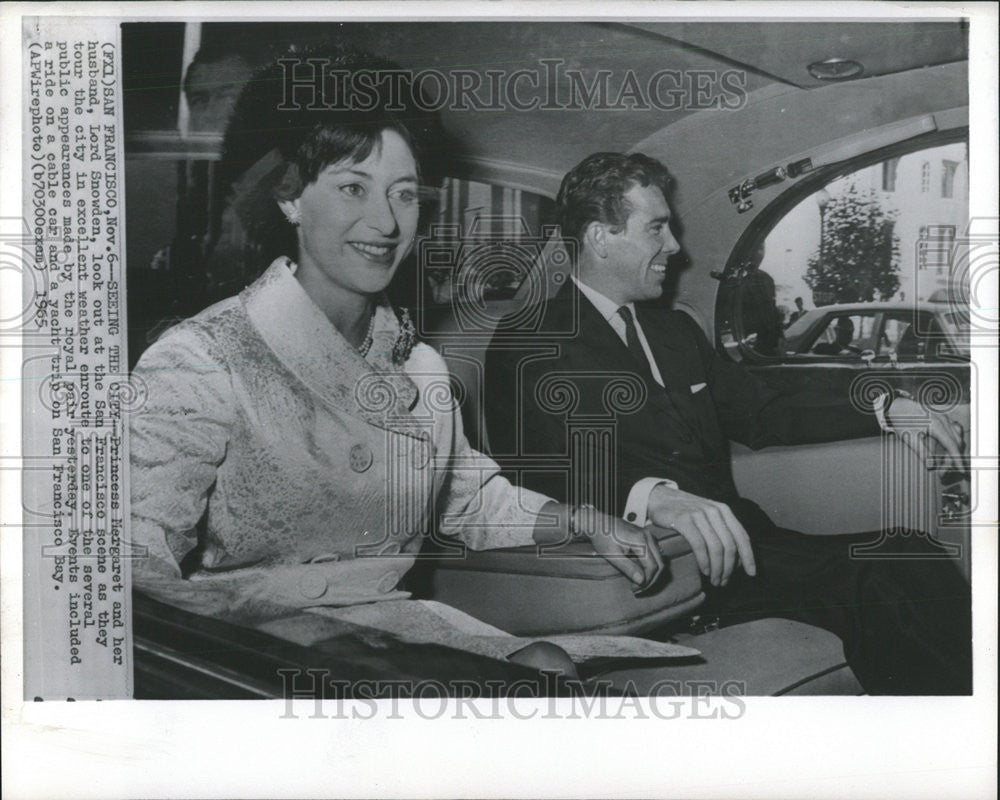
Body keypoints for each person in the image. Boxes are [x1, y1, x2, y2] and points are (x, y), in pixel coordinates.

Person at [129, 54, 663, 674]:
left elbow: (470, 501)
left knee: (550, 671)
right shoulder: (202, 359)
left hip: (391, 627)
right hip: (242, 655)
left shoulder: (420, 368)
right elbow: (128, 567)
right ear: (290, 200)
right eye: (353, 187)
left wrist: (583, 519)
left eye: (404, 194)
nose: (384, 222)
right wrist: (297, 636)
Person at [483, 152, 972, 694]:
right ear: (601, 236)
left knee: (911, 547)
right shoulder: (534, 339)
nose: (675, 247)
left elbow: (766, 409)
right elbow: (534, 474)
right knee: (878, 577)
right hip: (667, 565)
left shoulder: (674, 332)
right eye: (657, 228)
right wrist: (650, 497)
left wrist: (884, 405)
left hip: (745, 542)